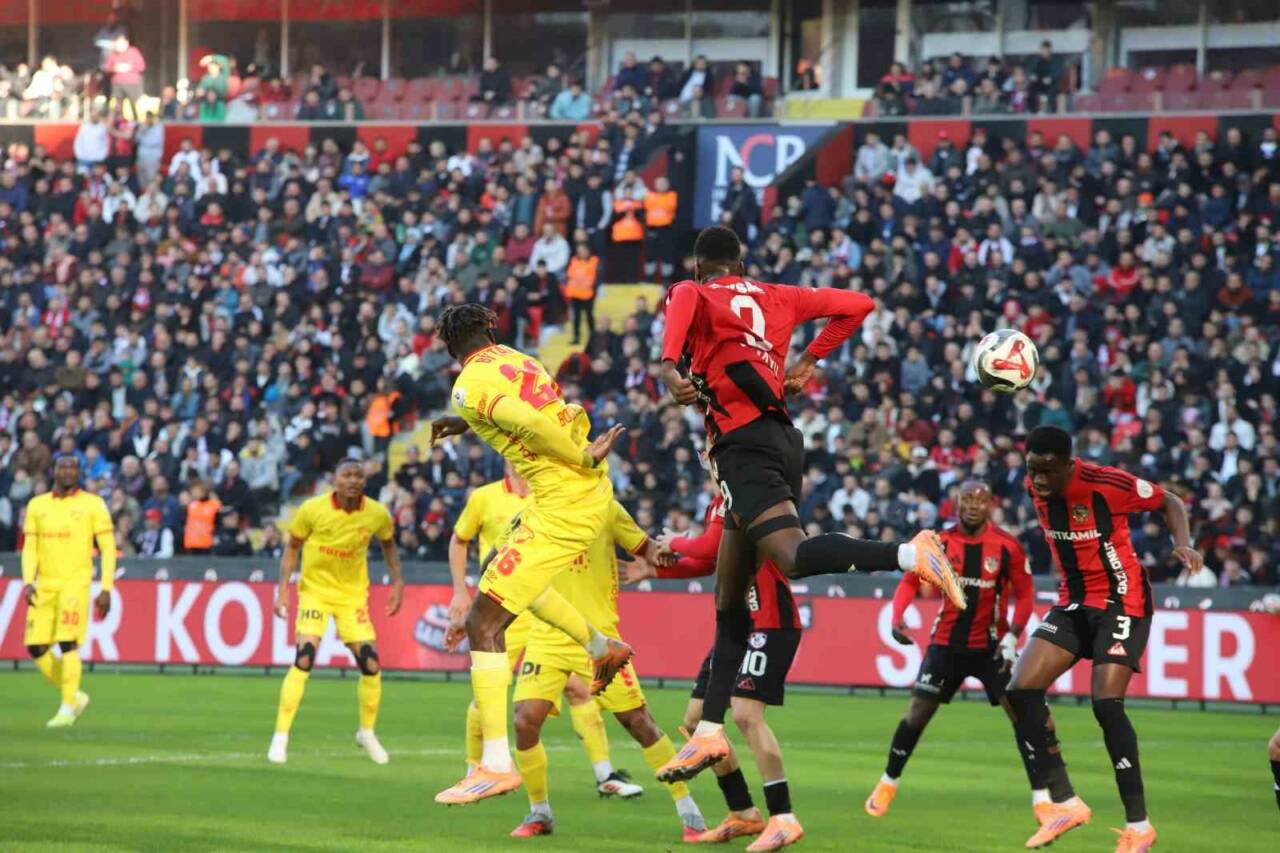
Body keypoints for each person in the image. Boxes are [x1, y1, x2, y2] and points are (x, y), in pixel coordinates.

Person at [654, 226, 965, 785]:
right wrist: (809, 361)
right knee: (729, 605)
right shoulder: (778, 295)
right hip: (773, 442)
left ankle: (909, 553)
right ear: (742, 262)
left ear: (701, 267)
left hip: (745, 446)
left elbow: (677, 321)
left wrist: (669, 368)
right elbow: (858, 305)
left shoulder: (689, 291)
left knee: (792, 559)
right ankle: (707, 732)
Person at [429, 304, 634, 806]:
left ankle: (496, 765)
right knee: (508, 568)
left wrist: (581, 454)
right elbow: (518, 409)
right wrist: (463, 425)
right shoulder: (520, 360)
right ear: (492, 329)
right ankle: (599, 645)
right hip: (573, 496)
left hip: (563, 500)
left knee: (483, 623)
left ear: (446, 345)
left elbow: (523, 420)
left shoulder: (466, 384)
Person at [1009, 426, 1203, 851]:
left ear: (1067, 464)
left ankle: (1139, 826)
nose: (1038, 481)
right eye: (1032, 470)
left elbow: (1169, 500)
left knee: (1105, 703)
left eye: (1047, 471)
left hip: (1122, 602)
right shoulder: (1034, 487)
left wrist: (1183, 544)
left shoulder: (1107, 483)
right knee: (1019, 689)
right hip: (1074, 602)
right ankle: (1067, 802)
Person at [624, 458, 805, 851]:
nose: (713, 456)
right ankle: (743, 813)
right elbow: (710, 560)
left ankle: (783, 816)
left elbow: (704, 546)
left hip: (770, 622)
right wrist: (655, 572)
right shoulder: (717, 502)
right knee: (695, 722)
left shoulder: (747, 493)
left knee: (744, 714)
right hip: (739, 628)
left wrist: (672, 541)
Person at [507, 497, 706, 841]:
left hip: (600, 640)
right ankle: (539, 811)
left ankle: (690, 813)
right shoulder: (530, 514)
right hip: (547, 636)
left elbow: (645, 549)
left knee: (639, 723)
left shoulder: (606, 509)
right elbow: (507, 566)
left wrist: (676, 550)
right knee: (524, 720)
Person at [447, 467, 642, 798]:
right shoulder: (484, 497)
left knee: (578, 689)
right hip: (501, 606)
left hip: (541, 606)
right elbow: (459, 539)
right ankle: (475, 767)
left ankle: (604, 774)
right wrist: (461, 593)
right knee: (487, 694)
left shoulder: (549, 495)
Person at [865, 481, 1041, 823]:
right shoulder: (939, 542)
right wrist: (898, 615)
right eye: (967, 500)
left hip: (993, 646)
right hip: (946, 643)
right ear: (956, 504)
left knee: (1021, 715)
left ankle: (1043, 797)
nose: (974, 505)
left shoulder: (1007, 546)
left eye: (981, 500)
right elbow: (911, 581)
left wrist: (1013, 636)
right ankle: (888, 782)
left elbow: (1026, 595)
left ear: (991, 505)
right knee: (917, 712)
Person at [268, 459, 404, 765]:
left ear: (364, 481)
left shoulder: (377, 514)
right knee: (305, 657)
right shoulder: (312, 509)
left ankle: (366, 732)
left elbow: (389, 546)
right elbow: (292, 547)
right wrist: (283, 590)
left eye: (358, 475)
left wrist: (397, 583)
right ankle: (281, 736)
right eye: (347, 475)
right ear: (335, 479)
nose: (353, 480)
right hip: (315, 592)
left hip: (352, 597)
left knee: (370, 663)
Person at [21, 454, 116, 727]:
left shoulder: (92, 504)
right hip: (45, 583)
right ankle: (74, 695)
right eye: (62, 466)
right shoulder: (37, 505)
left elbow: (108, 548)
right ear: (53, 471)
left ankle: (66, 708)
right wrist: (28, 581)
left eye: (72, 467)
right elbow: (31, 548)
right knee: (35, 647)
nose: (67, 471)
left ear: (79, 473)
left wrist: (106, 588)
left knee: (67, 641)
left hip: (76, 582)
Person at [564, 242, 601, 346]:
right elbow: (569, 275)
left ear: (588, 251)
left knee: (589, 316)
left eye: (583, 250)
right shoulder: (573, 261)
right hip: (575, 294)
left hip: (588, 294)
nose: (581, 253)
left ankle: (594, 337)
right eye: (579, 251)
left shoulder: (594, 261)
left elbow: (597, 277)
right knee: (576, 318)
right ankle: (576, 337)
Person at [643, 175, 678, 283]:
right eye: (659, 183)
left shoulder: (672, 195)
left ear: (667, 185)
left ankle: (666, 280)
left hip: (666, 229)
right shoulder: (648, 195)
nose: (661, 185)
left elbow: (670, 208)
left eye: (663, 183)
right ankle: (649, 280)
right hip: (651, 230)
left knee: (667, 256)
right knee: (650, 256)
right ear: (655, 185)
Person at [102, 33, 145, 120]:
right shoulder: (113, 54)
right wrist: (114, 68)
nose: (119, 46)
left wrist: (129, 67)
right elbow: (106, 67)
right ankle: (118, 122)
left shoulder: (134, 52)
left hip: (132, 84)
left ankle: (137, 122)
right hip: (117, 84)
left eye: (120, 43)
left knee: (134, 104)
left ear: (126, 43)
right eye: (117, 43)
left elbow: (142, 66)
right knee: (117, 105)